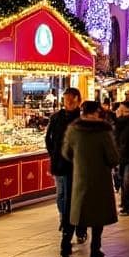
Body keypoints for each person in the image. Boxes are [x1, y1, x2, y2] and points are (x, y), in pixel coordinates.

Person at [61, 100, 119, 257]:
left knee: (76, 212)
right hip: (100, 178)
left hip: (80, 176)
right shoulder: (103, 131)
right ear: (96, 113)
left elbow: (66, 153)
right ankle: (95, 249)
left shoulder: (73, 130)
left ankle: (65, 246)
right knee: (98, 215)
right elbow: (113, 158)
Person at [45, 88, 87, 242]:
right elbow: (48, 139)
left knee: (77, 196)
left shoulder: (82, 119)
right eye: (66, 100)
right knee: (62, 194)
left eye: (71, 100)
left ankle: (79, 227)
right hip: (59, 162)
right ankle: (64, 220)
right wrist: (54, 153)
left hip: (78, 164)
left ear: (78, 101)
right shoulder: (56, 118)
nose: (68, 103)